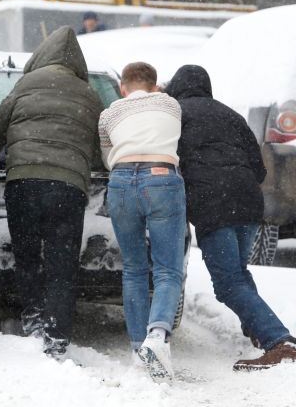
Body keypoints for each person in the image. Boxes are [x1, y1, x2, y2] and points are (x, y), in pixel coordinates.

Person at [166, 65, 296, 371]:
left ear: (177, 87)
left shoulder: (175, 114)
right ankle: (257, 327)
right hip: (249, 201)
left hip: (213, 203)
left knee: (227, 284)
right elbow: (261, 169)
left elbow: (169, 160)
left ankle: (280, 341)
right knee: (238, 272)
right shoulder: (231, 115)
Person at [0, 26, 105, 359]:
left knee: (27, 257)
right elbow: (98, 152)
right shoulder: (90, 94)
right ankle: (57, 337)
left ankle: (33, 319)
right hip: (68, 187)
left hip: (23, 182)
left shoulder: (24, 85)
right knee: (62, 264)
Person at [98, 62, 184, 383]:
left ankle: (138, 351)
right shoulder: (169, 103)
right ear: (155, 87)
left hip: (120, 181)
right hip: (161, 177)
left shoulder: (108, 114)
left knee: (134, 268)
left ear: (122, 89)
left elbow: (108, 157)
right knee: (167, 269)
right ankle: (157, 338)